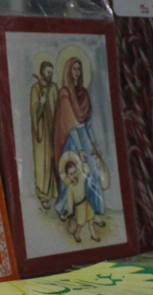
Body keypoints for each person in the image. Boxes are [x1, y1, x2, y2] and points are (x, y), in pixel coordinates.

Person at [53, 50, 108, 234]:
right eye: (74, 69)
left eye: (79, 68)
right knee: (74, 174)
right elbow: (70, 125)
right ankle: (63, 208)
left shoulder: (83, 93)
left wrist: (93, 145)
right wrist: (79, 151)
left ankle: (94, 211)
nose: (76, 72)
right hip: (72, 141)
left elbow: (88, 124)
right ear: (68, 71)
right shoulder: (65, 94)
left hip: (84, 137)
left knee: (92, 171)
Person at [29, 55, 58, 209]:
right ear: (42, 72)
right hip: (42, 133)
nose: (49, 75)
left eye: (51, 73)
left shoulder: (54, 88)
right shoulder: (35, 88)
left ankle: (54, 192)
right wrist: (41, 103)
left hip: (53, 131)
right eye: (47, 72)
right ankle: (43, 196)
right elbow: (34, 112)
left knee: (54, 160)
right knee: (43, 162)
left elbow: (58, 109)